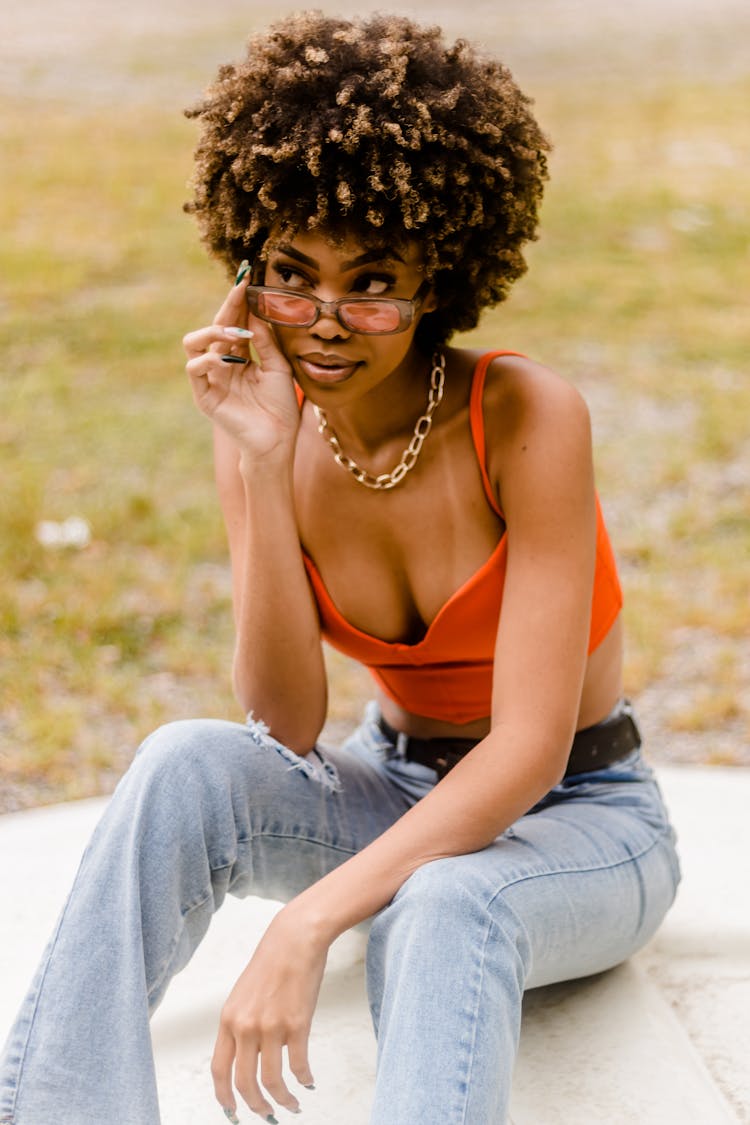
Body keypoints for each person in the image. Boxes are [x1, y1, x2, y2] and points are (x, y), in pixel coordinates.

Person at [0, 12, 681, 1124]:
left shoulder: (525, 415)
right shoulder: (262, 430)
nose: (323, 323)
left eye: (372, 282)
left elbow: (527, 752)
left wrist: (309, 918)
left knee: (449, 904)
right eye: (288, 276)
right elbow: (286, 722)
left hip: (581, 817)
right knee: (182, 763)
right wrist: (263, 467)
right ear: (244, 273)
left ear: (442, 275)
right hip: (396, 782)